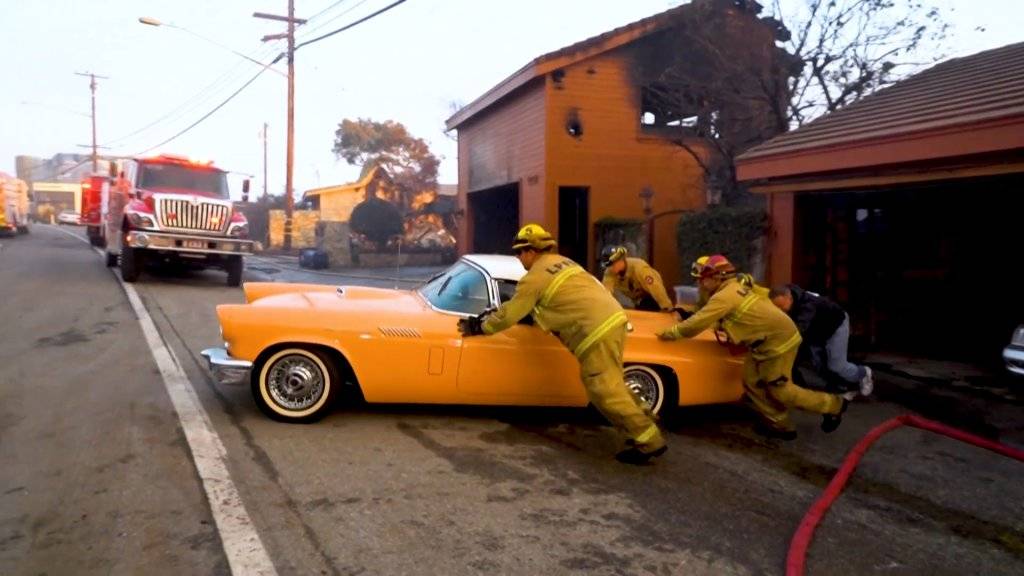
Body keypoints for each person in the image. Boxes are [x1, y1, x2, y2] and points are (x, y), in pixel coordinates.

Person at [458, 224, 667, 464]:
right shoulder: (564, 262)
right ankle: (646, 419)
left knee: (603, 390)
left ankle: (648, 440)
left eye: (519, 252)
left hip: (594, 330)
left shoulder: (534, 278)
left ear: (531, 251)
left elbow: (509, 315)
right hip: (614, 320)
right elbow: (562, 299)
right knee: (613, 382)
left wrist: (480, 327)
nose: (518, 257)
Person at [657, 255, 851, 439]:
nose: (699, 283)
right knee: (750, 381)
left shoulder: (725, 296)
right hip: (762, 343)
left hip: (778, 344)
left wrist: (670, 333)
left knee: (781, 390)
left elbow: (699, 322)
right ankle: (780, 425)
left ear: (717, 277)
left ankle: (834, 405)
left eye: (703, 279)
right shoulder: (729, 288)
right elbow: (703, 310)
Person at [769, 285, 873, 396]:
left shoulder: (807, 306)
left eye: (781, 306)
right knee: (819, 364)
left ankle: (863, 373)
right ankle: (839, 384)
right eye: (776, 307)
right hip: (816, 331)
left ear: (789, 298)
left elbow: (797, 331)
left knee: (837, 365)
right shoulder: (785, 296)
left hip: (835, 325)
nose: (780, 310)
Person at [600, 245, 674, 312]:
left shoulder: (639, 268)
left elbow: (656, 288)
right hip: (638, 301)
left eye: (613, 264)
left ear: (621, 260)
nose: (610, 267)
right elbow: (607, 292)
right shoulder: (610, 273)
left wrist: (667, 308)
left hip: (652, 297)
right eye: (608, 265)